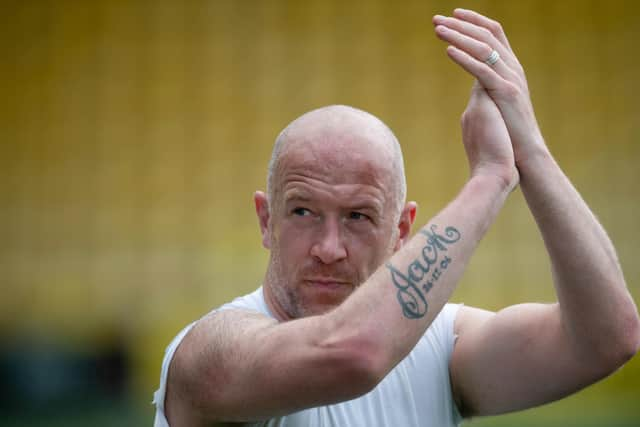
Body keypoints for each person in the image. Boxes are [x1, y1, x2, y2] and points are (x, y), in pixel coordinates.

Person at [153, 8, 639, 427]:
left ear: (402, 231)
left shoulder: (440, 347)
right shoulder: (210, 351)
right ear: (265, 220)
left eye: (358, 217)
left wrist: (530, 154)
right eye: (303, 212)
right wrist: (490, 178)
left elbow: (607, 338)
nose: (329, 247)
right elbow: (353, 354)